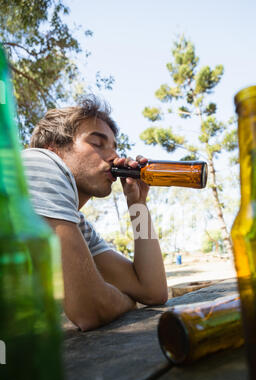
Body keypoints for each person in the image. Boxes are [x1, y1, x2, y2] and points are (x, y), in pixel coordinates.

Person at [22, 95, 168, 331]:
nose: (115, 157)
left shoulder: (77, 226)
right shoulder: (36, 162)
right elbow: (91, 309)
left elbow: (153, 291)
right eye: (98, 144)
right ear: (54, 150)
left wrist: (138, 205)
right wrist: (127, 301)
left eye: (114, 147)